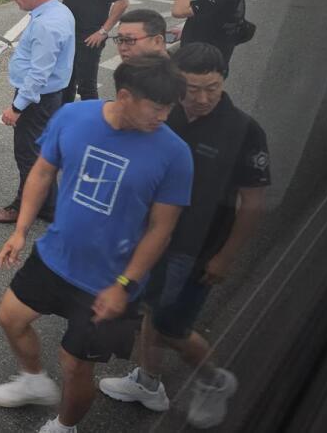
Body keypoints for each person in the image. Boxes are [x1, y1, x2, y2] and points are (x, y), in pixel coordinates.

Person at [0, 55, 193, 433]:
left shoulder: (175, 154)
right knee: (9, 318)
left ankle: (65, 426)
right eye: (157, 106)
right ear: (125, 96)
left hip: (110, 281)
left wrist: (125, 285)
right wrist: (20, 230)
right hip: (55, 256)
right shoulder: (72, 117)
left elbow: (160, 231)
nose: (164, 116)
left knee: (75, 365)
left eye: (169, 107)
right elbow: (42, 172)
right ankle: (33, 379)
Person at [99, 43, 270, 429]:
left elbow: (254, 202)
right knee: (150, 310)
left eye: (213, 87)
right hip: (149, 237)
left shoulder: (244, 130)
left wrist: (226, 256)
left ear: (224, 80)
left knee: (171, 327)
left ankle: (214, 381)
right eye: (192, 89)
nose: (203, 98)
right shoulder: (163, 113)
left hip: (196, 249)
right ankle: (148, 382)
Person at [0, 0, 75, 224]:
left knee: (29, 155)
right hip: (48, 96)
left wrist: (17, 107)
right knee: (40, 153)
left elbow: (39, 74)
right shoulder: (58, 10)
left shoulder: (47, 24)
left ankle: (23, 207)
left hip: (38, 100)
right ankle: (49, 206)